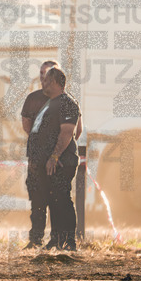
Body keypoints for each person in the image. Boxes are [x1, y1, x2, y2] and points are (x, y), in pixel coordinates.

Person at [26, 67, 83, 251]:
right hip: (47, 162)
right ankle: (56, 239)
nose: (43, 83)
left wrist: (54, 156)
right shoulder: (50, 103)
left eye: (47, 81)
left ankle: (68, 241)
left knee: (62, 199)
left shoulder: (66, 102)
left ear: (56, 82)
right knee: (53, 201)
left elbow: (67, 132)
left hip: (61, 162)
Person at [21, 60, 59, 249]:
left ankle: (57, 240)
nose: (44, 77)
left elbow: (74, 130)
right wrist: (40, 144)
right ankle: (35, 240)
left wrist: (57, 151)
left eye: (49, 73)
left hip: (57, 159)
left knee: (57, 200)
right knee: (37, 200)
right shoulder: (33, 98)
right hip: (36, 158)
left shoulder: (64, 100)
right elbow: (26, 125)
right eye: (42, 73)